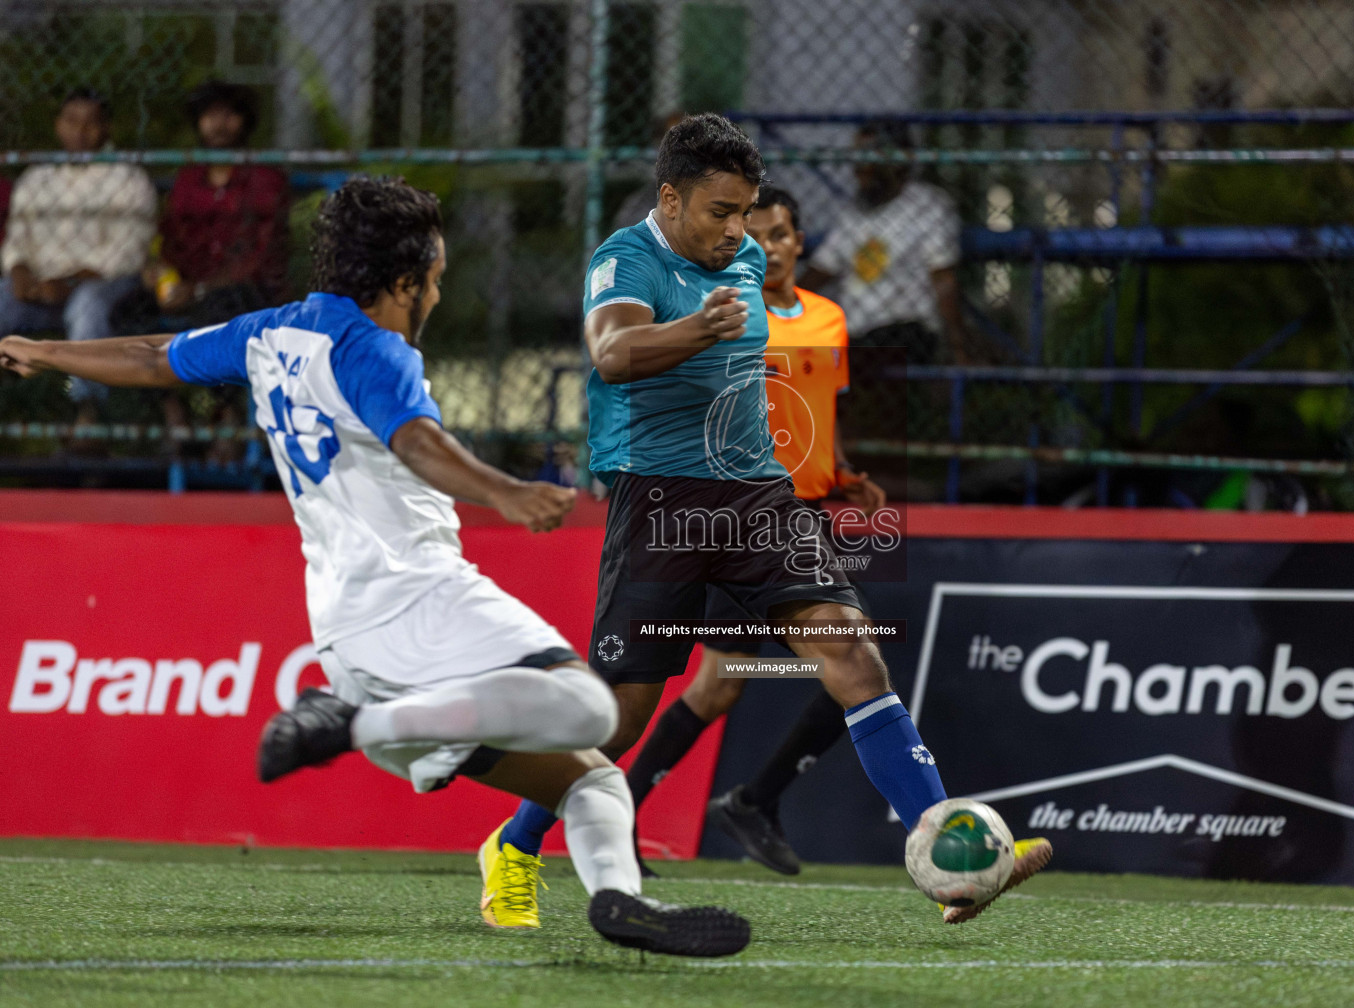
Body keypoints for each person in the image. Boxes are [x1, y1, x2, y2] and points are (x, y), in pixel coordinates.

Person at [0, 176, 750, 959]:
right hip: (417, 601)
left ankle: (621, 901)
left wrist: (44, 350)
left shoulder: (271, 333)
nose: (435, 290)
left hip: (347, 638)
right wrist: (510, 494)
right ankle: (350, 725)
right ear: (402, 281)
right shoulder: (374, 347)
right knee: (592, 710)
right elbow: (418, 444)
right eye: (433, 277)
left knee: (589, 779)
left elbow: (156, 355)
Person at [493, 113, 1050, 926]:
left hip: (757, 498)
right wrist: (696, 328)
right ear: (671, 196)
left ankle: (942, 847)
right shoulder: (625, 259)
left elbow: (767, 390)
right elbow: (613, 353)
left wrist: (832, 468)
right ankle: (512, 846)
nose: (737, 230)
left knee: (852, 653)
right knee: (619, 720)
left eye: (746, 210)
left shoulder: (748, 258)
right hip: (659, 500)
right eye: (721, 211)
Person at [622, 185, 885, 877]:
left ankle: (747, 801)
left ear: (800, 242)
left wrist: (844, 473)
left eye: (780, 233)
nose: (768, 246)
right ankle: (699, 804)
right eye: (754, 235)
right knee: (731, 683)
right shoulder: (726, 316)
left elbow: (816, 417)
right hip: (741, 518)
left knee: (835, 674)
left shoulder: (829, 318)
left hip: (805, 518)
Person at [0, 88, 157, 421]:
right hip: (38, 290)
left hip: (104, 287)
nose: (81, 131)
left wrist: (69, 282)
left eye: (91, 123)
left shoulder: (128, 179)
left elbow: (127, 254)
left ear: (107, 129)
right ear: (58, 125)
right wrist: (19, 272)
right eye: (72, 121)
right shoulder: (36, 178)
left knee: (89, 306)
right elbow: (17, 241)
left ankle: (88, 411)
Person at [798, 119, 969, 369]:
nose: (859, 167)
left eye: (868, 156)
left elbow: (943, 278)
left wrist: (957, 347)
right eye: (856, 157)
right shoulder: (853, 214)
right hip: (855, 335)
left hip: (907, 329)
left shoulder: (927, 205)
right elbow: (819, 272)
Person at [139, 79, 290, 326]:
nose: (219, 125)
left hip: (247, 291)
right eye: (210, 116)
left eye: (229, 115)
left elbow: (261, 257)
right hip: (188, 288)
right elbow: (171, 237)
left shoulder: (264, 179)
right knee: (127, 311)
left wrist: (199, 289)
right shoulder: (188, 179)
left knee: (221, 306)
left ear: (245, 121)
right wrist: (159, 271)